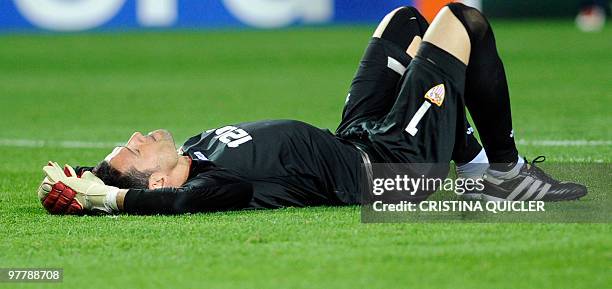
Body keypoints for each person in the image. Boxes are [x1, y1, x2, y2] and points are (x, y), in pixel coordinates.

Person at [38, 4, 587, 215]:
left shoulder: (196, 149)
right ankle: (507, 174)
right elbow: (192, 201)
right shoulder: (212, 185)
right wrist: (113, 198)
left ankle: (463, 159)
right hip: (390, 169)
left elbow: (114, 177)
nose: (137, 135)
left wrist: (84, 179)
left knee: (405, 24)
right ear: (157, 182)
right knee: (465, 24)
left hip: (356, 137)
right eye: (135, 149)